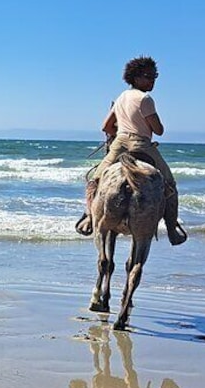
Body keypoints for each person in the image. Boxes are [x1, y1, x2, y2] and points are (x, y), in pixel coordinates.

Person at [76, 56, 187, 246]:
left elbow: (106, 127)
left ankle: (88, 217)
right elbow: (159, 130)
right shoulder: (145, 99)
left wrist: (120, 132)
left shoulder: (121, 97)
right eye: (148, 76)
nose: (152, 80)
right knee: (169, 184)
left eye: (154, 77)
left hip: (119, 143)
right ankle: (172, 228)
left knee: (95, 180)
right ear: (134, 77)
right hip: (141, 144)